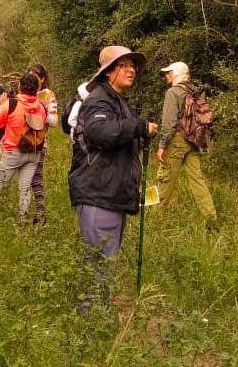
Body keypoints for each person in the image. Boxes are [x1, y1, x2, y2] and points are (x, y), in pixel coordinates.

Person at [69, 46, 157, 313]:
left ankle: (98, 317)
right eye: (124, 65)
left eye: (133, 66)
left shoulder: (119, 102)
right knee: (99, 264)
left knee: (105, 262)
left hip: (111, 194)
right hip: (98, 194)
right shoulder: (98, 100)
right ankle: (90, 326)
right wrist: (138, 127)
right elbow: (101, 133)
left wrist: (140, 133)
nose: (132, 70)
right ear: (108, 72)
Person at [154, 61, 217, 222]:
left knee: (165, 179)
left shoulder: (173, 92)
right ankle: (211, 219)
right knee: (198, 181)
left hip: (176, 141)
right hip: (193, 141)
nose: (166, 75)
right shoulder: (196, 91)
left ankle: (156, 219)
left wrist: (162, 146)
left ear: (177, 73)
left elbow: (169, 123)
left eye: (169, 72)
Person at [0, 72, 48, 225]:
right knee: (25, 189)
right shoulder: (41, 106)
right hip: (34, 152)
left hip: (13, 151)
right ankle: (22, 221)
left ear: (19, 86)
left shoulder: (11, 104)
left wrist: (2, 104)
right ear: (37, 88)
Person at [26, 63, 58, 225]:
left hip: (38, 143)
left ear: (43, 78)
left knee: (35, 180)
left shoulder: (47, 95)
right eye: (29, 73)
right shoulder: (23, 93)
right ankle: (26, 214)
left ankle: (40, 215)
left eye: (35, 74)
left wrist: (40, 109)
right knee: (24, 181)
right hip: (20, 143)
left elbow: (53, 121)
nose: (32, 76)